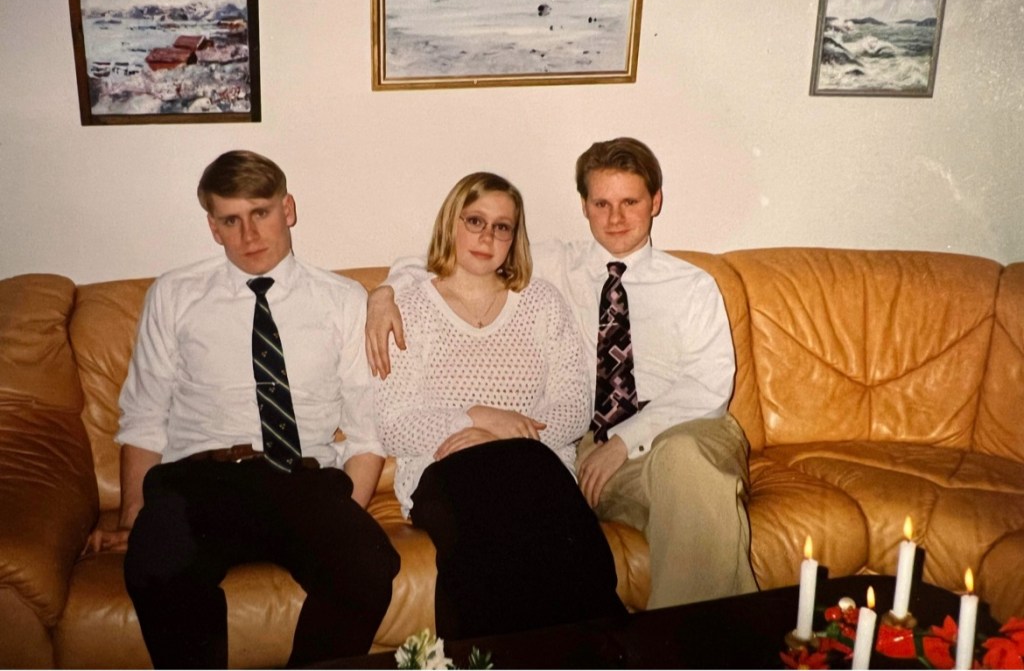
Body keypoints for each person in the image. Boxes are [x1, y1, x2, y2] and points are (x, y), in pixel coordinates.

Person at [367, 138, 758, 610]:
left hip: (685, 430)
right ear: (584, 206)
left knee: (684, 465)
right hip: (596, 446)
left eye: (630, 202)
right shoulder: (555, 264)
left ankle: (690, 643)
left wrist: (624, 441)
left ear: (655, 202)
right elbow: (452, 258)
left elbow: (708, 388)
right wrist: (384, 293)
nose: (615, 218)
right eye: (602, 203)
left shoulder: (692, 285)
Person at [84, 150, 400, 668]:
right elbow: (144, 417)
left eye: (261, 213)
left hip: (300, 479)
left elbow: (366, 434)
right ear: (213, 227)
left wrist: (346, 514)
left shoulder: (342, 300)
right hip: (198, 484)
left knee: (369, 565)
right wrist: (132, 518)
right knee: (156, 568)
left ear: (288, 209)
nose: (249, 235)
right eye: (231, 220)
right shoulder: (175, 295)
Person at [374, 171, 625, 640]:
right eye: (475, 221)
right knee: (490, 538)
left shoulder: (542, 302)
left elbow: (574, 406)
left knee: (553, 531)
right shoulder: (409, 308)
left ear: (514, 238)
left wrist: (502, 435)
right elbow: (395, 423)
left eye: (502, 227)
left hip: (536, 469)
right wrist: (476, 419)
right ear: (452, 222)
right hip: (446, 472)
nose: (487, 237)